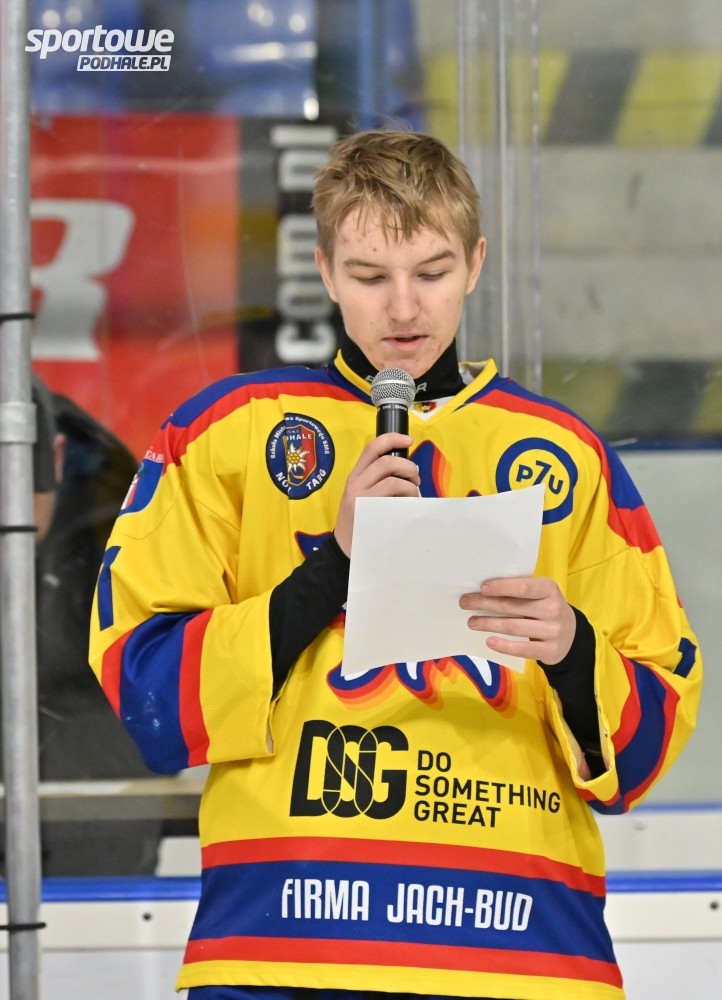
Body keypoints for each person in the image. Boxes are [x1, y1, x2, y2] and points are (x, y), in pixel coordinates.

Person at [88, 130, 702, 1000]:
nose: (404, 309)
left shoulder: (570, 455)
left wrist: (572, 649)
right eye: (370, 276)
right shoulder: (227, 433)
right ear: (325, 272)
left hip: (519, 947)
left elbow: (650, 735)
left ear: (476, 264)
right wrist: (334, 565)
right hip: (287, 941)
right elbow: (146, 694)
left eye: (433, 272)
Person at [0, 378, 165, 876]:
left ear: (54, 458)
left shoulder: (120, 528)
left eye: (13, 491)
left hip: (96, 795)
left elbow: (155, 693)